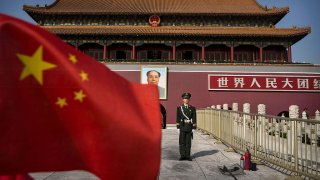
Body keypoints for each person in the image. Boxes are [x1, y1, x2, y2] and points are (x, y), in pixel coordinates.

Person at [176, 92, 197, 161]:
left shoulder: (192, 108)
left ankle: (188, 156)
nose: (186, 100)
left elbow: (194, 118)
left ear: (189, 100)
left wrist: (194, 127)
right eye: (185, 98)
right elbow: (178, 118)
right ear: (183, 100)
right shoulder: (179, 108)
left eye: (187, 98)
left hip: (189, 127)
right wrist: (178, 127)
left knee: (188, 142)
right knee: (182, 142)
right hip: (182, 126)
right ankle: (182, 155)